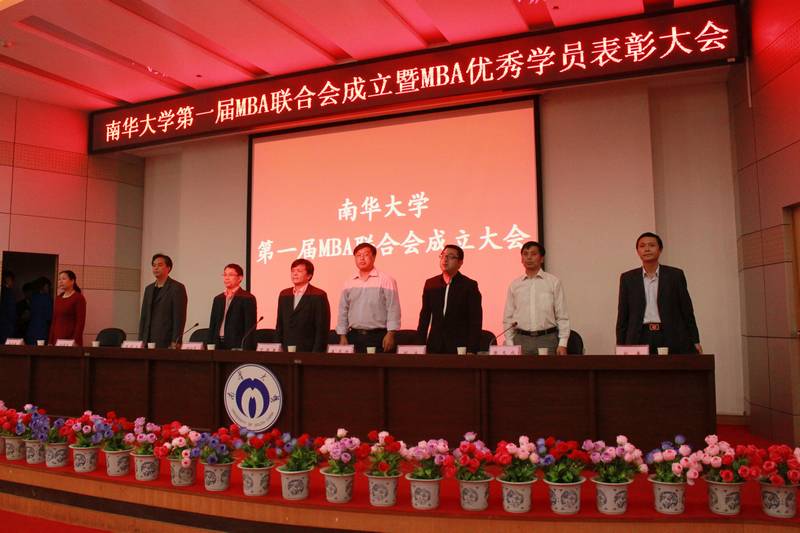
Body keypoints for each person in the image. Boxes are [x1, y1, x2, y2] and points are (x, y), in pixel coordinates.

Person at [616, 232, 702, 355]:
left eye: (651, 245)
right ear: (637, 251)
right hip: (638, 336)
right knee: (638, 368)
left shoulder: (675, 275)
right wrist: (620, 345)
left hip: (670, 335)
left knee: (671, 367)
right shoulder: (628, 278)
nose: (647, 249)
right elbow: (623, 315)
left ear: (660, 249)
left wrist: (695, 340)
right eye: (642, 246)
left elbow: (687, 310)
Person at [503, 241, 570, 355]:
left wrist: (563, 343)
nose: (529, 257)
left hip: (547, 339)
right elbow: (508, 317)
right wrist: (510, 344)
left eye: (533, 254)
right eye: (525, 254)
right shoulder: (515, 285)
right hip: (521, 339)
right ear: (521, 259)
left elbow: (562, 315)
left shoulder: (553, 282)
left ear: (542, 259)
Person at [417, 244, 482, 354]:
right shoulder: (431, 284)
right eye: (443, 255)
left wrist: (472, 349)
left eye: (451, 257)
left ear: (460, 263)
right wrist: (419, 346)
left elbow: (475, 320)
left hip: (459, 347)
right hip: (434, 345)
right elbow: (424, 317)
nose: (445, 259)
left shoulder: (469, 286)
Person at [336, 243, 400, 353]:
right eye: (358, 255)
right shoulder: (349, 282)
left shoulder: (386, 280)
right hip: (353, 336)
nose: (362, 258)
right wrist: (342, 335)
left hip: (379, 336)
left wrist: (391, 334)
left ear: (374, 257)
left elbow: (393, 309)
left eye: (366, 254)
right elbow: (343, 310)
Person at [275, 259, 330, 352]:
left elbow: (322, 328)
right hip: (286, 348)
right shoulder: (284, 294)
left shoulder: (318, 295)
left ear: (309, 276)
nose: (295, 274)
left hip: (308, 349)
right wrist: (277, 346)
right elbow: (279, 324)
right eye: (293, 271)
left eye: (299, 271)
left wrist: (317, 353)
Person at [138, 253, 188, 348]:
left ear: (168, 268)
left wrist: (176, 340)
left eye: (160, 265)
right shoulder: (149, 289)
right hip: (147, 339)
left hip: (166, 339)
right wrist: (140, 339)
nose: (156, 268)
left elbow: (179, 318)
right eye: (154, 265)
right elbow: (144, 316)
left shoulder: (177, 288)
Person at [207, 264, 257, 350]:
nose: (226, 278)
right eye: (225, 275)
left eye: (230, 275)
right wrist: (209, 344)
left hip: (237, 345)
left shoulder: (247, 298)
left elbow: (250, 327)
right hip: (217, 344)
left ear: (240, 278)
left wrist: (246, 348)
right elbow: (213, 325)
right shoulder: (218, 299)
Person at [48, 270, 86, 346]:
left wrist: (75, 340)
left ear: (72, 281)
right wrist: (50, 341)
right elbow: (54, 320)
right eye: (59, 279)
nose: (60, 281)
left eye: (64, 279)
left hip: (71, 339)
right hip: (56, 338)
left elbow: (80, 322)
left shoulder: (78, 298)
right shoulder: (58, 298)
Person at [26, 277, 52, 345]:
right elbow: (49, 316)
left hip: (31, 327)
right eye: (47, 286)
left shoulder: (33, 297)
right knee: (40, 348)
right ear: (43, 286)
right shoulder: (47, 298)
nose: (48, 289)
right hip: (42, 328)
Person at [0, 271, 16, 343]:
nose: (13, 283)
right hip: (6, 326)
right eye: (12, 281)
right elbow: (11, 312)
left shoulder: (3, 291)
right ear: (8, 280)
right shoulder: (9, 293)